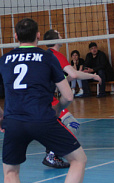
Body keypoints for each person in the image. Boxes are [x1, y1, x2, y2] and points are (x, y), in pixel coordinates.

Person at [0, 18, 87, 183]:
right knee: (78, 160)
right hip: (43, 119)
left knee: (10, 172)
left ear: (15, 37)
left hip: (14, 122)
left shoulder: (5, 59)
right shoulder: (47, 57)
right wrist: (56, 111)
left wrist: (1, 115)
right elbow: (68, 96)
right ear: (38, 36)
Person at [42, 29, 100, 169]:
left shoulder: (44, 55)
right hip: (46, 100)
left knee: (68, 124)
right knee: (72, 124)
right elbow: (74, 75)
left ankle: (52, 152)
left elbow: (65, 78)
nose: (62, 36)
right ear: (55, 40)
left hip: (45, 98)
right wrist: (93, 76)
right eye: (59, 34)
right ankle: (51, 154)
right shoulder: (56, 55)